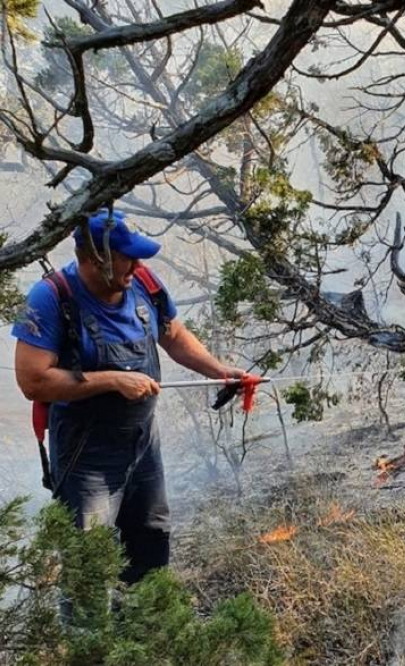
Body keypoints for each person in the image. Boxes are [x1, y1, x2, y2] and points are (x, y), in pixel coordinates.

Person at [12, 208, 246, 585]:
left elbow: (171, 334)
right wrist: (111, 380)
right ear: (93, 259)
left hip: (142, 444)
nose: (137, 264)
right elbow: (33, 382)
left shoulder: (144, 284)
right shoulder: (51, 298)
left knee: (151, 535)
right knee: (90, 559)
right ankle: (92, 643)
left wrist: (217, 370)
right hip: (86, 453)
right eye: (127, 256)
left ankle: (146, 636)